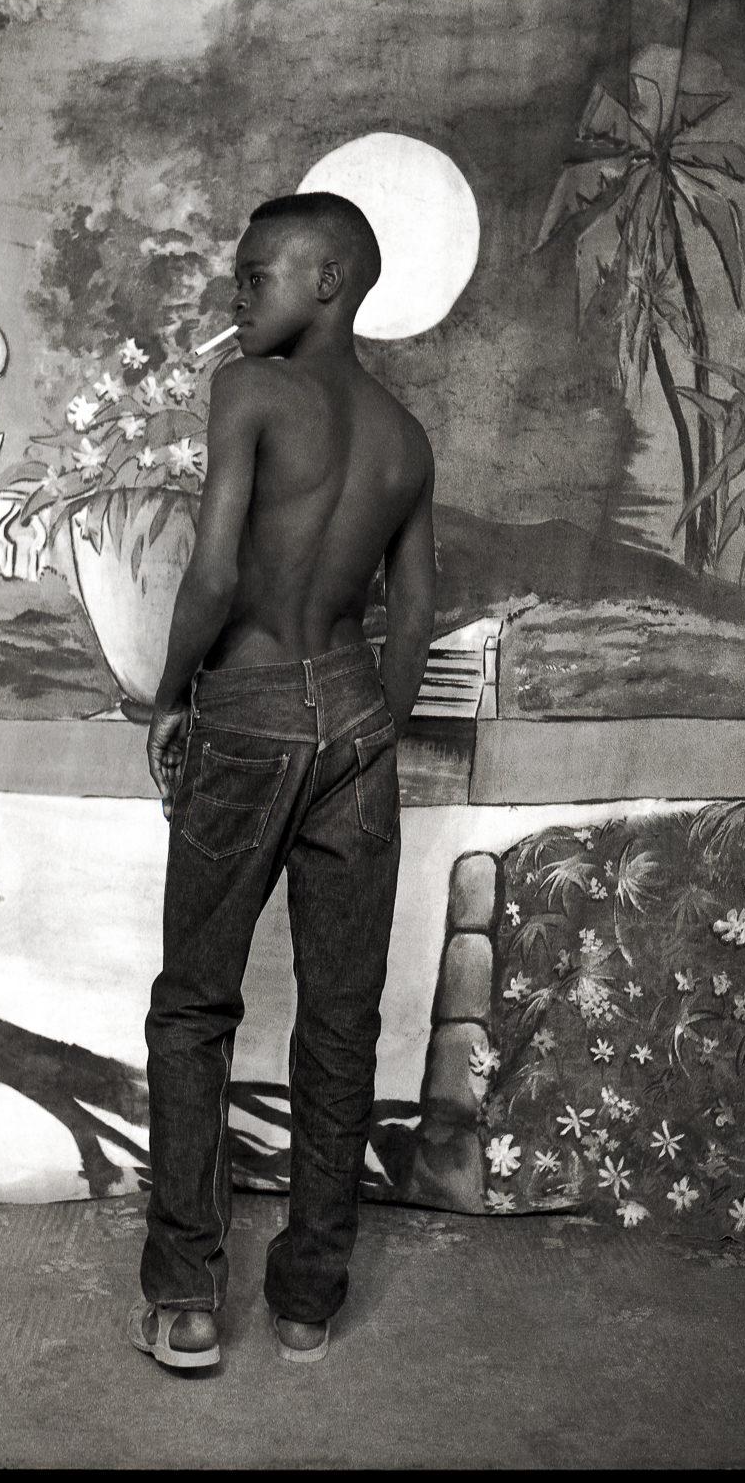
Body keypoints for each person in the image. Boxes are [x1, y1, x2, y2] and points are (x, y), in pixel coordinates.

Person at [127, 191, 436, 1370]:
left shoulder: (251, 393)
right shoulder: (405, 436)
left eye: (260, 276)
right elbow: (412, 610)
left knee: (196, 1007)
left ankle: (190, 1297)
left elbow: (212, 570)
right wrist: (368, 724)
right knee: (341, 1019)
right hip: (356, 723)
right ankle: (308, 1298)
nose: (237, 295)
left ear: (335, 280)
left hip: (248, 710)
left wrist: (169, 695)